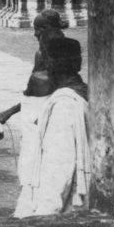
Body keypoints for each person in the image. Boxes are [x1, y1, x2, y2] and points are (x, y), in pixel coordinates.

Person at [0, 9, 67, 216]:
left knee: (33, 160)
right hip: (34, 107)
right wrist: (14, 110)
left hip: (41, 110)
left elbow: (47, 86)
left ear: (46, 29)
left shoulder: (50, 52)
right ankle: (31, 204)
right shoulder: (50, 50)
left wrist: (12, 110)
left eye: (37, 29)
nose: (35, 34)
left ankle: (33, 207)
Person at [17, 35, 90, 217]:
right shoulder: (81, 91)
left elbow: (60, 167)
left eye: (47, 62)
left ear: (52, 66)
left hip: (59, 207)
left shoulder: (63, 104)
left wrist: (45, 212)